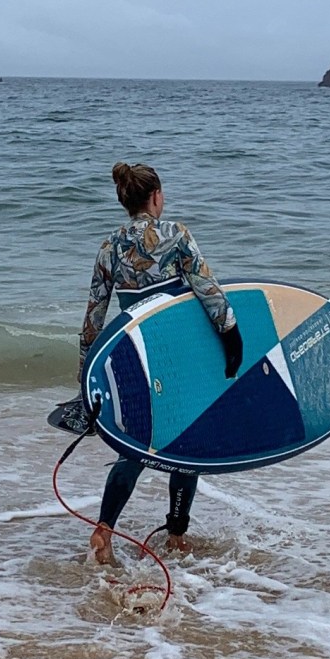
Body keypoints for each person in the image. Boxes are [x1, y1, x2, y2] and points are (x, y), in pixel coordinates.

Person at [73, 162, 243, 564]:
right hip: (177, 351)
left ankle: (104, 529)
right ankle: (177, 533)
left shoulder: (109, 246)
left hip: (137, 355)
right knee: (188, 441)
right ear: (156, 196)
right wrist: (231, 336)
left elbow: (93, 318)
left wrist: (86, 376)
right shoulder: (176, 234)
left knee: (135, 446)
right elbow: (207, 289)